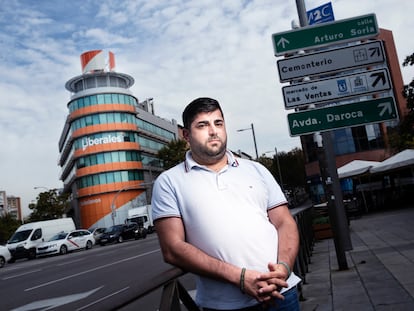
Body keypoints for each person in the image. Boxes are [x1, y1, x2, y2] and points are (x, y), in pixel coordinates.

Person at [152, 97, 301, 311]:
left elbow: (285, 222)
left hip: (282, 293)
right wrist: (240, 278)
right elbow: (172, 249)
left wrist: (284, 268)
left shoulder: (256, 169)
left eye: (218, 123)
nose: (213, 131)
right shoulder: (169, 182)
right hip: (225, 306)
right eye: (203, 125)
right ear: (186, 135)